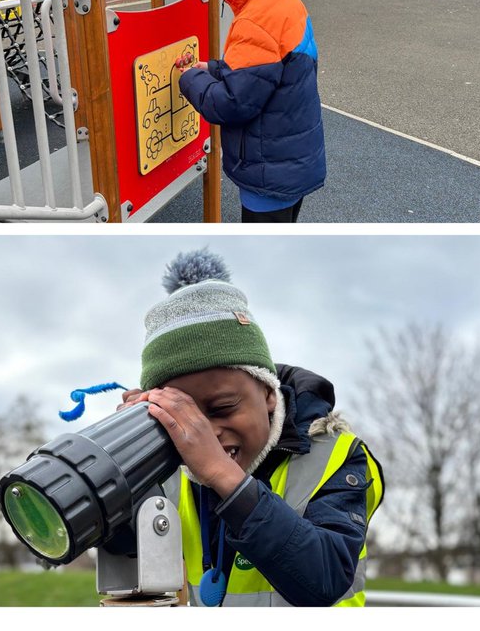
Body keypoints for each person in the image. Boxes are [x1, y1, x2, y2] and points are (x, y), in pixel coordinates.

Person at [118, 249, 384, 606]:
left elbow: (326, 578)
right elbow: (120, 542)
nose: (203, 434)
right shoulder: (173, 464)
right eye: (186, 415)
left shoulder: (336, 455)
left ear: (268, 393)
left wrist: (223, 476)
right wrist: (123, 460)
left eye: (222, 408)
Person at [173, 0, 325, 222]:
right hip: (290, 164)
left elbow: (230, 103)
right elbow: (264, 73)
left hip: (266, 174)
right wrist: (213, 68)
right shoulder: (284, 0)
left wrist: (188, 78)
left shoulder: (255, 20)